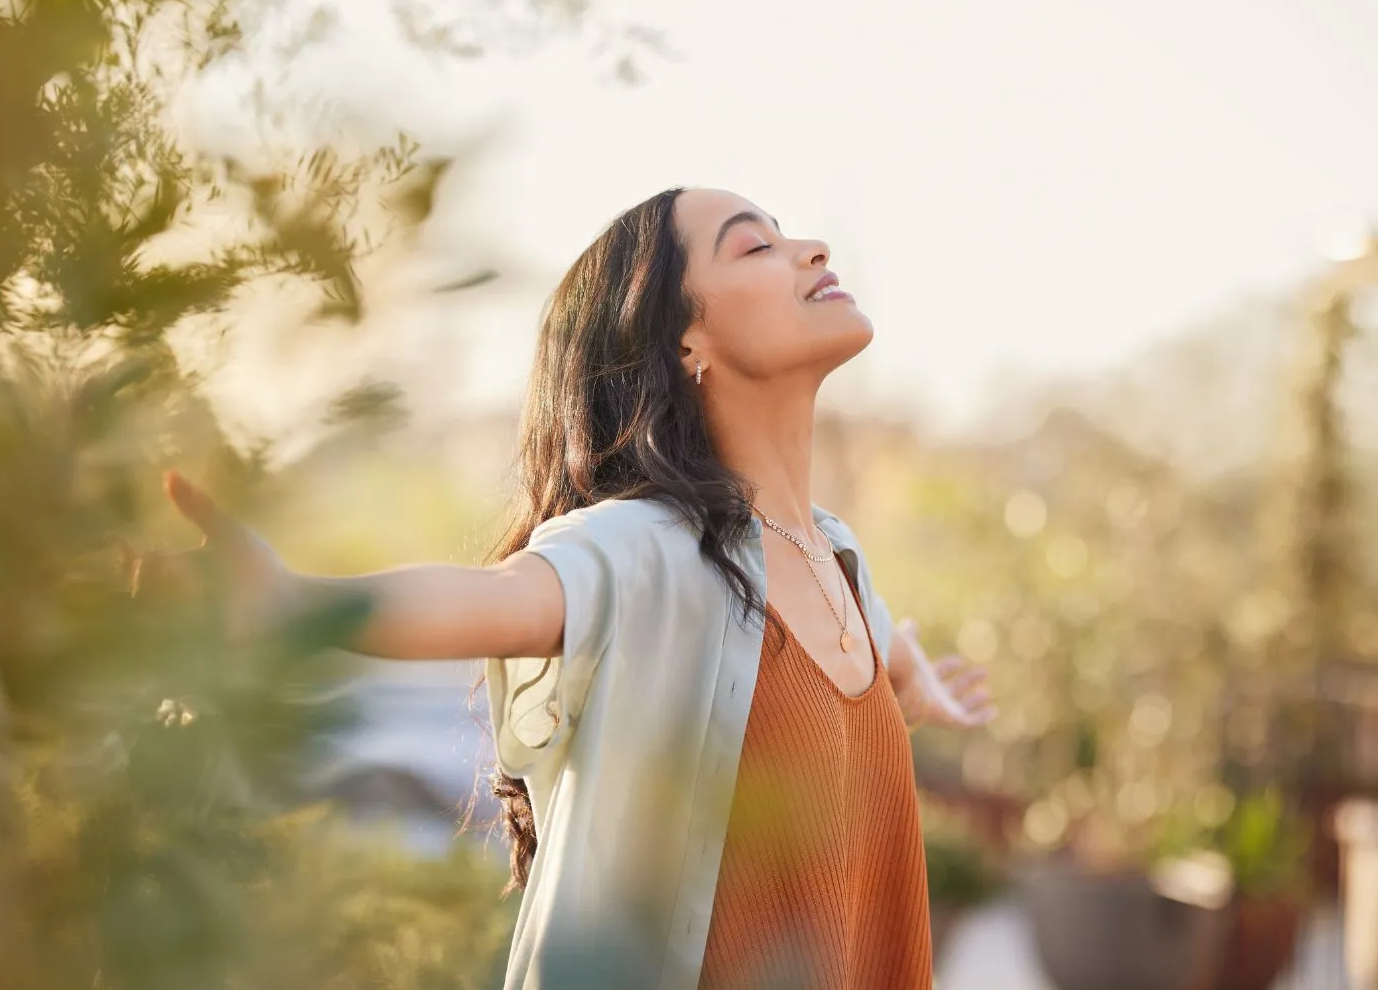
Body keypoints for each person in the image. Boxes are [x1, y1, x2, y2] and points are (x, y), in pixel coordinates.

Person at [140, 187, 998, 990]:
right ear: (685, 342)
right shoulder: (648, 548)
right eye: (758, 247)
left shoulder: (837, 556)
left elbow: (865, 649)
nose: (812, 251)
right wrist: (294, 604)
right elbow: (497, 600)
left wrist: (907, 676)